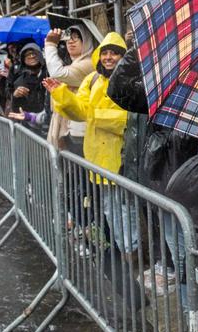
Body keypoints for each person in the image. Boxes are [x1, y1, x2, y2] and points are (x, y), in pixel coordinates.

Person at [44, 32, 136, 255]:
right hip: (97, 158)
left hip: (122, 158)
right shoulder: (92, 79)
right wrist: (60, 93)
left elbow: (128, 119)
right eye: (105, 52)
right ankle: (123, 249)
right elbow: (80, 111)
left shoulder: (132, 81)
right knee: (108, 207)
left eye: (114, 53)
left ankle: (131, 251)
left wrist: (96, 116)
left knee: (125, 209)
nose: (108, 57)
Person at [43, 26, 94, 153]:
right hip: (71, 130)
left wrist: (50, 44)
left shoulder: (89, 63)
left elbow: (57, 73)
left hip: (81, 132)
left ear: (87, 41)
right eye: (68, 39)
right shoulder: (74, 64)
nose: (71, 42)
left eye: (76, 38)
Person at [9, 42, 47, 116]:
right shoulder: (19, 81)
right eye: (27, 55)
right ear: (23, 60)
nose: (32, 56)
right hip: (30, 123)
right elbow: (17, 110)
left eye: (34, 53)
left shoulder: (50, 73)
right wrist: (15, 97)